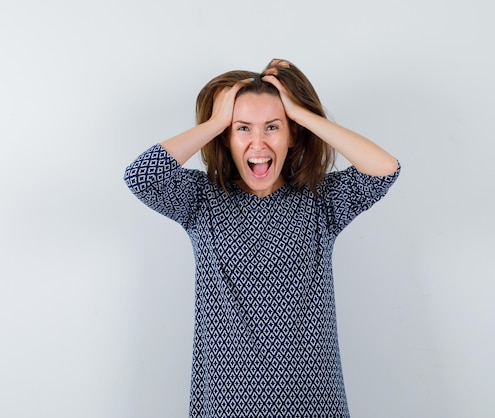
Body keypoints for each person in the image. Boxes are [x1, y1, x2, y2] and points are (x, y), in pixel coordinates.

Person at [124, 58, 400, 417]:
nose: (258, 143)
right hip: (226, 402)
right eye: (243, 128)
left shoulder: (319, 201)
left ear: (292, 134)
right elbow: (141, 177)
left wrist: (302, 114)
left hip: (314, 400)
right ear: (226, 136)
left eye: (272, 127)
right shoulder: (201, 199)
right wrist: (216, 122)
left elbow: (385, 169)